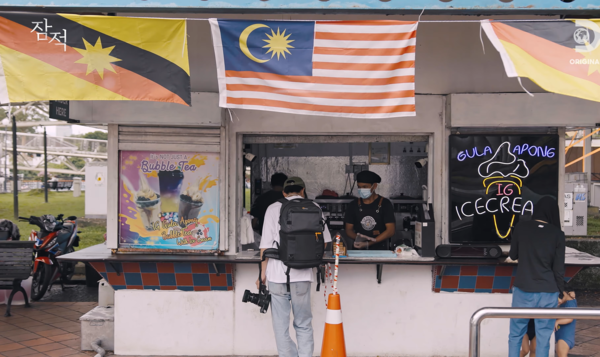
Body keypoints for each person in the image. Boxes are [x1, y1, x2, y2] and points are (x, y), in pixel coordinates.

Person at [258, 176, 331, 357]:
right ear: (303, 190)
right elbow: (324, 242)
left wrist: (262, 274)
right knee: (304, 324)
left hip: (276, 275)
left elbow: (265, 246)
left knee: (281, 327)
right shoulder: (315, 208)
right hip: (303, 276)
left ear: (283, 192)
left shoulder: (273, 208)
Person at [508, 196, 565, 357]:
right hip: (548, 292)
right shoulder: (557, 234)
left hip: (523, 289)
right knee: (543, 337)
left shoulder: (521, 227)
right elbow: (559, 269)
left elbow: (513, 255)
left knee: (515, 335)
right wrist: (560, 292)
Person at [344, 170, 395, 250]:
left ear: (374, 186)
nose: (361, 190)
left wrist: (369, 243)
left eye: (364, 187)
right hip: (358, 250)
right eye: (359, 187)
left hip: (380, 250)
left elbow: (390, 230)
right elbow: (348, 229)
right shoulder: (353, 205)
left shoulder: (385, 204)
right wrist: (359, 238)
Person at [555, 291, 577, 357]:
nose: (559, 300)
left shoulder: (570, 302)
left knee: (562, 355)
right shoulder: (564, 303)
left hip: (565, 337)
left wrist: (557, 322)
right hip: (560, 335)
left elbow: (570, 318)